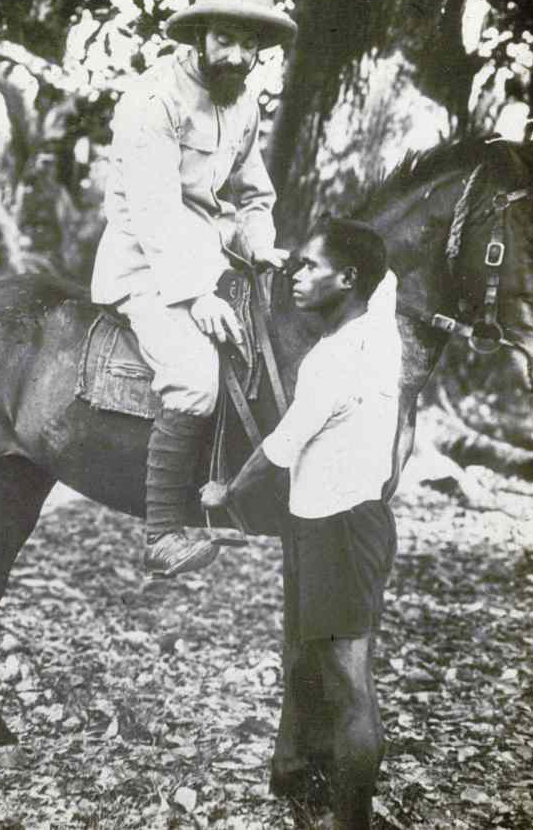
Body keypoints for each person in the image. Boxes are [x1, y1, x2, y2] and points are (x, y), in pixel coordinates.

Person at [91, 0, 297, 576]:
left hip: (216, 256)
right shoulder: (151, 101)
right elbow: (154, 213)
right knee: (193, 378)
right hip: (147, 263)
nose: (236, 55)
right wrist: (196, 293)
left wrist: (261, 246)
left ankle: (235, 495)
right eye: (225, 40)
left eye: (248, 43)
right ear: (200, 35)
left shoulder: (242, 104)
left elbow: (254, 193)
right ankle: (161, 533)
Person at [201, 216, 402, 829]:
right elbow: (383, 273)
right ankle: (315, 789)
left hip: (333, 530)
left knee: (349, 686)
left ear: (348, 279)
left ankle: (353, 821)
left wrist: (223, 492)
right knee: (327, 668)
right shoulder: (381, 328)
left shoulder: (330, 361)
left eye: (310, 267)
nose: (295, 274)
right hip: (361, 521)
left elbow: (280, 448)